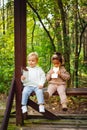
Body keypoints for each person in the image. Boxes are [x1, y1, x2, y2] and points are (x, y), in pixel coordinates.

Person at [21, 52, 46, 116]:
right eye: (29, 60)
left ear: (36, 61)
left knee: (40, 92)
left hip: (37, 86)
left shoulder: (39, 69)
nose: (31, 62)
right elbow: (24, 80)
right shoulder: (26, 69)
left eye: (33, 61)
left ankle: (41, 104)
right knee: (24, 92)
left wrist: (41, 84)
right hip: (28, 85)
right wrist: (22, 78)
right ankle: (23, 105)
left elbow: (43, 77)